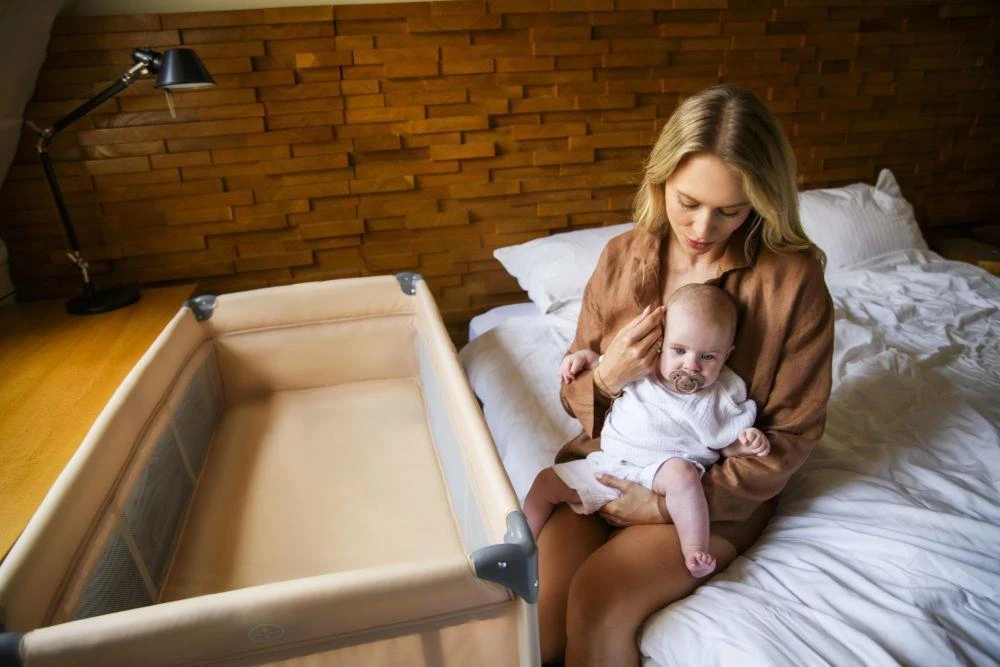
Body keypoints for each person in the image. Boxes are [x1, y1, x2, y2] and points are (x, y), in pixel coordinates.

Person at [536, 84, 835, 666]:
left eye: (731, 210)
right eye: (688, 202)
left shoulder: (792, 283)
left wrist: (663, 506)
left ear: (761, 201)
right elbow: (576, 393)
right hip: (608, 464)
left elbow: (791, 435)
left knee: (598, 601)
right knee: (535, 618)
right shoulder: (621, 257)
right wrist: (607, 378)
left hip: (711, 491)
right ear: (661, 181)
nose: (702, 227)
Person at [524, 284, 771, 579]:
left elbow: (725, 443)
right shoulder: (643, 368)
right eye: (679, 350)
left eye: (708, 357)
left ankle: (694, 549)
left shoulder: (721, 394)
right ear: (662, 343)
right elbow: (602, 363)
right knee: (546, 481)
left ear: (727, 355)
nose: (691, 365)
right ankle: (521, 545)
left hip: (661, 474)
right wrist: (582, 358)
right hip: (610, 464)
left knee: (684, 476)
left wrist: (747, 442)